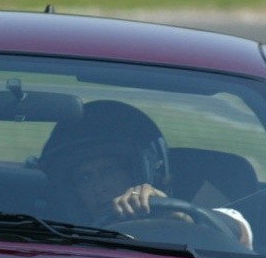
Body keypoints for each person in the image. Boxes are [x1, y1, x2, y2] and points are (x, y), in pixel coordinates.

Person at [40, 101, 252, 249]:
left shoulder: (185, 226)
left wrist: (179, 216)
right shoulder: (55, 238)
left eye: (109, 170)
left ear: (142, 171)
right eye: (84, 178)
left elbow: (237, 230)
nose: (99, 187)